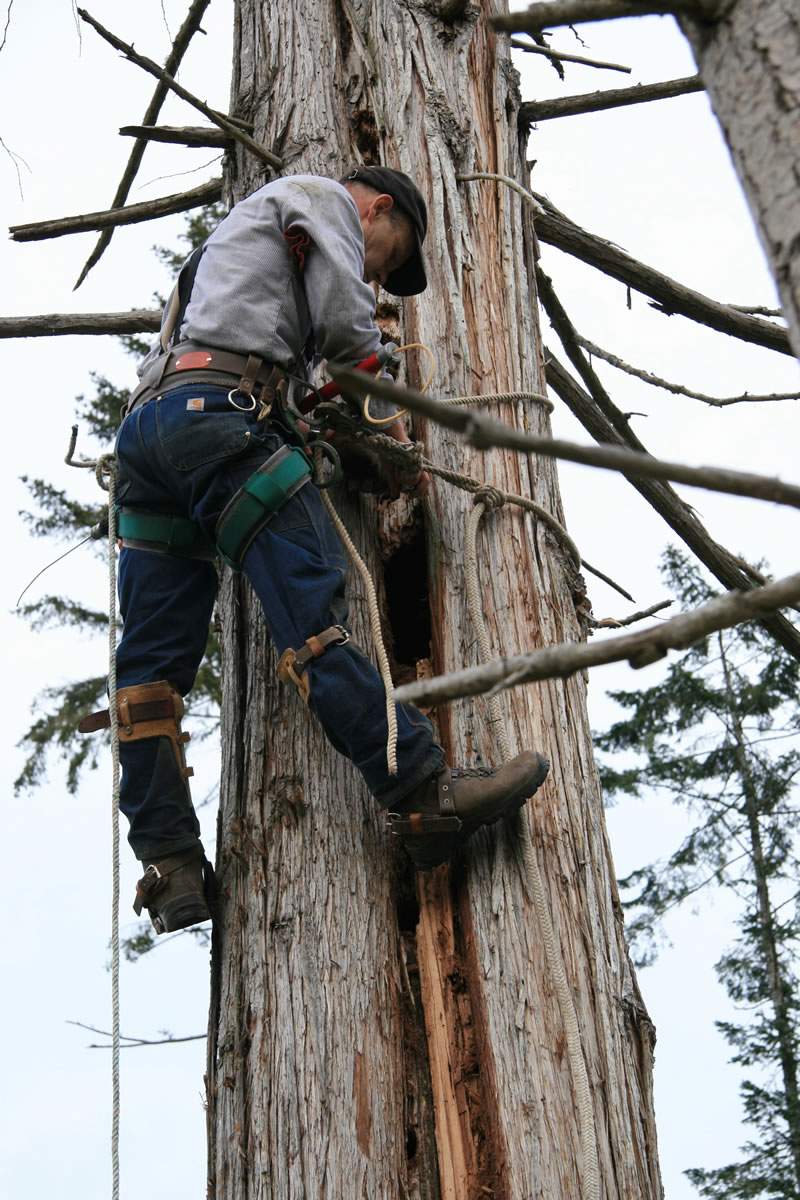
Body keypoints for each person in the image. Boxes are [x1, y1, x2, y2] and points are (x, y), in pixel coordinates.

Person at [80, 166, 549, 935]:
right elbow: (346, 328)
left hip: (153, 435)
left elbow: (273, 362)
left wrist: (317, 426)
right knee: (312, 615)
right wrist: (387, 417)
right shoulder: (320, 196)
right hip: (219, 420)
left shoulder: (225, 257)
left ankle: (169, 865)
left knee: (149, 680)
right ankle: (425, 795)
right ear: (377, 207)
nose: (379, 276)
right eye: (388, 257)